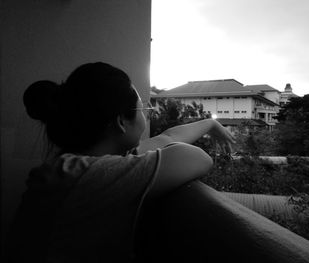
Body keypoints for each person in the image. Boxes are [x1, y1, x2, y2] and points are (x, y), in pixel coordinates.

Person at [7, 62, 235, 262]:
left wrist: (210, 124)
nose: (147, 114)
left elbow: (168, 138)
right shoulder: (88, 175)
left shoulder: (76, 166)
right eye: (143, 109)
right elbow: (197, 159)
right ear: (120, 122)